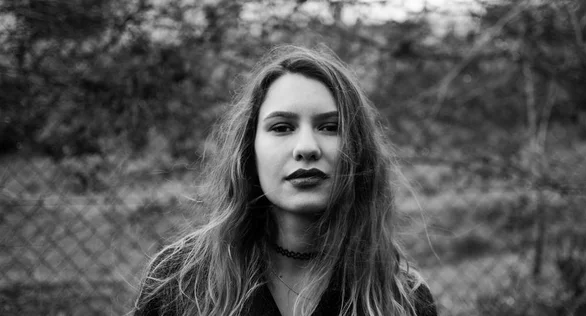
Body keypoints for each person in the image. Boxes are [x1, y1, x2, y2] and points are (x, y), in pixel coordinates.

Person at [133, 46, 438, 316]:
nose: (306, 147)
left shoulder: (402, 300)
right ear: (248, 149)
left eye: (330, 127)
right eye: (281, 127)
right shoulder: (179, 281)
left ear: (359, 151)